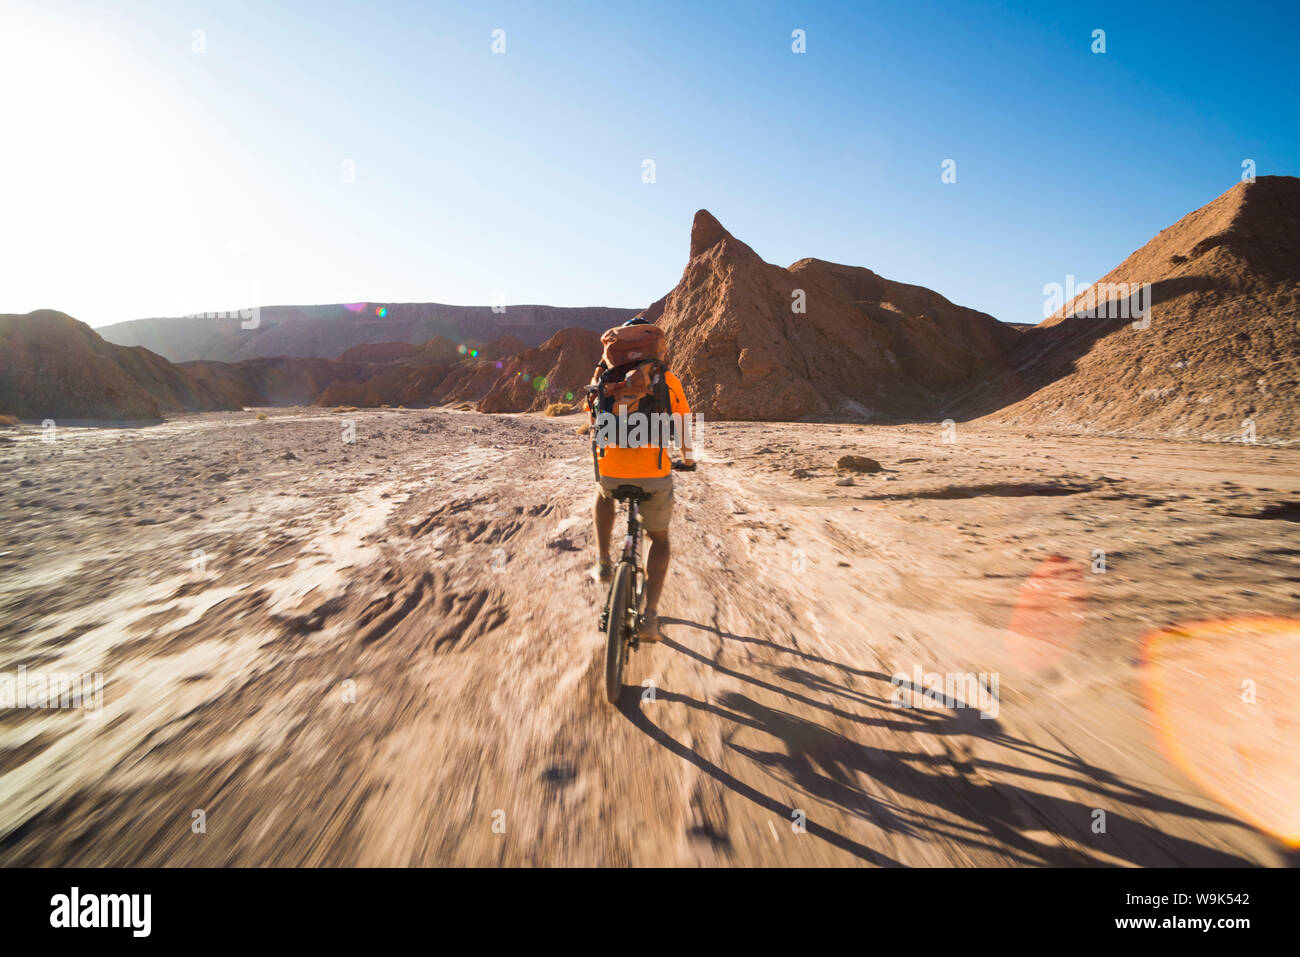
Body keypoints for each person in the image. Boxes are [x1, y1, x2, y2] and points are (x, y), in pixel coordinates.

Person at [588, 317, 694, 643]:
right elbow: (685, 424)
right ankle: (649, 618)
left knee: (605, 495)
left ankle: (604, 562)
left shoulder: (603, 376)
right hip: (654, 473)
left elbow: (591, 415)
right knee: (659, 539)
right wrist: (688, 460)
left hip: (611, 469)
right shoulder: (667, 379)